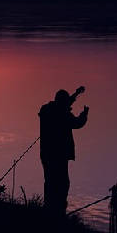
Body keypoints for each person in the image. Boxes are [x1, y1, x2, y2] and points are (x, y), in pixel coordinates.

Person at [38, 86, 89, 216]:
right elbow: (77, 123)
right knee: (62, 183)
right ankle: (59, 210)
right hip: (59, 155)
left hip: (46, 153)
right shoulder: (64, 115)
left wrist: (76, 94)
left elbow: (63, 104)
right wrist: (84, 115)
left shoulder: (46, 110)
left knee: (49, 182)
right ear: (63, 102)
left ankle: (48, 209)